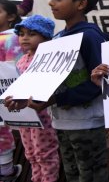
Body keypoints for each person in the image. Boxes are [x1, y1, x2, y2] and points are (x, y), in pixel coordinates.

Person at [6, 0, 109, 182]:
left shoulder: (90, 36)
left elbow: (100, 84)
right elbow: (44, 82)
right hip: (62, 123)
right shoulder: (58, 39)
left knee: (90, 176)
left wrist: (56, 99)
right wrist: (22, 99)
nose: (50, 2)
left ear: (80, 4)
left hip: (87, 125)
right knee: (73, 175)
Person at [8, 15, 60, 182]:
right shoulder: (21, 60)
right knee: (30, 152)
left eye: (31, 34)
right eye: (22, 34)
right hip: (24, 117)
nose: (24, 38)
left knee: (45, 153)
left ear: (45, 37)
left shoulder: (48, 59)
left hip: (43, 116)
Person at [0, 0, 23, 181]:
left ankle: (6, 171)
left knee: (2, 130)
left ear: (11, 16)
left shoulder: (12, 38)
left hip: (6, 97)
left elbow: (14, 70)